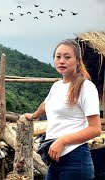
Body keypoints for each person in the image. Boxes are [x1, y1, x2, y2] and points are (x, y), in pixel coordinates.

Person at [24, 39, 102, 179]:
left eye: (67, 57)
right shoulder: (57, 86)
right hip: (55, 161)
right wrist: (33, 115)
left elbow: (95, 129)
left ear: (78, 61)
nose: (61, 61)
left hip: (75, 160)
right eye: (58, 57)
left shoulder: (85, 87)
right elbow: (46, 105)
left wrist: (62, 141)